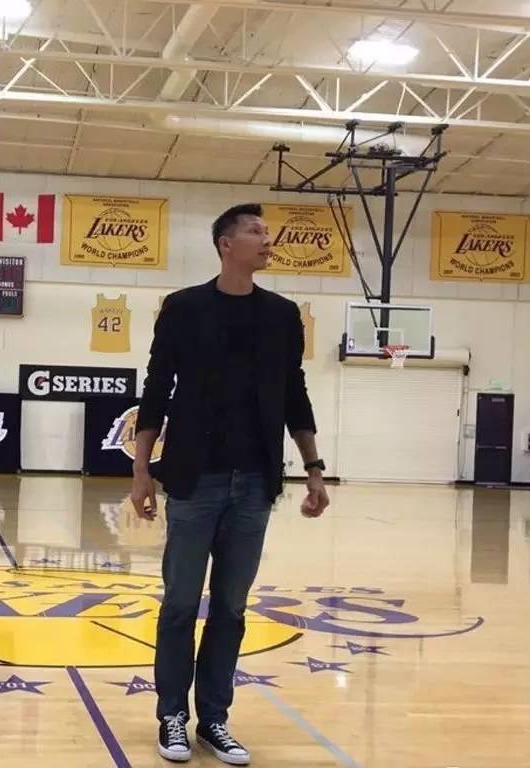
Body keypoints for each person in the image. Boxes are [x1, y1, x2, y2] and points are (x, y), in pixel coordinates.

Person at [130, 202, 330, 765]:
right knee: (179, 604)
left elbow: (295, 393)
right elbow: (156, 389)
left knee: (232, 609)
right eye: (255, 231)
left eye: (267, 231)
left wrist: (313, 468)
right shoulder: (184, 308)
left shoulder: (283, 315)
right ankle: (172, 714)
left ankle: (213, 719)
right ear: (226, 244)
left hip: (255, 484)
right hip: (194, 480)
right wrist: (141, 471)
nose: (268, 239)